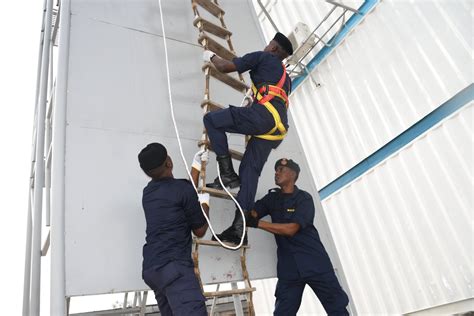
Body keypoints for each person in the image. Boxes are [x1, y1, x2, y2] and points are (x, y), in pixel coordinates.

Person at [202, 32, 294, 244]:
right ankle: (239, 229)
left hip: (263, 118)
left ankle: (226, 174)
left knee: (212, 120)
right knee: (249, 172)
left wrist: (210, 55)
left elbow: (225, 67)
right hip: (277, 128)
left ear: (272, 48)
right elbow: (271, 96)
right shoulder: (285, 79)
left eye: (269, 43)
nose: (266, 46)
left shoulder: (263, 57)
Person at [245, 158, 349, 316]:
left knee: (337, 310)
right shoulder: (272, 199)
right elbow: (252, 214)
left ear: (293, 174)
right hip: (289, 269)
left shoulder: (304, 199)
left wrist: (258, 223)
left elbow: (291, 229)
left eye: (281, 169)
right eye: (276, 169)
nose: (276, 172)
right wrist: (247, 197)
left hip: (315, 263)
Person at [138, 143, 210, 316]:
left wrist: (196, 168)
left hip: (153, 269)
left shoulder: (148, 193)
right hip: (174, 269)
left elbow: (180, 192)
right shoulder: (181, 190)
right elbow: (200, 231)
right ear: (169, 162)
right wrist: (206, 205)